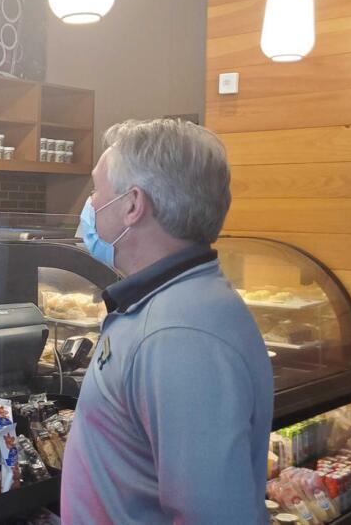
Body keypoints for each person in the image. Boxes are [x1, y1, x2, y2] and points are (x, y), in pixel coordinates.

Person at [61, 119, 274, 524]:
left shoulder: (179, 337)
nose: (89, 203)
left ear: (132, 205)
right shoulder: (167, 305)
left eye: (96, 190)